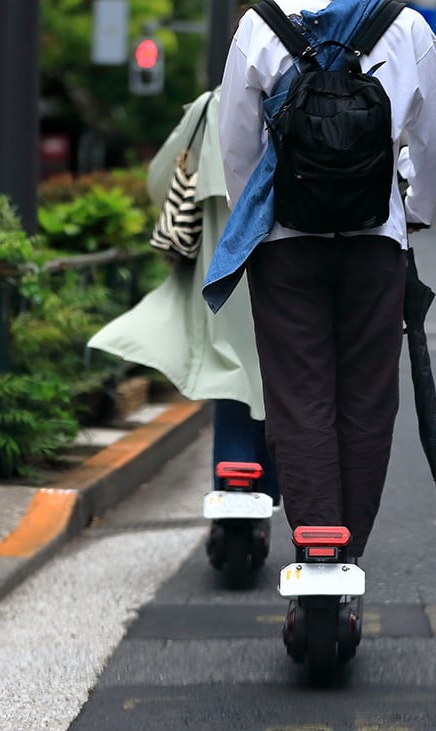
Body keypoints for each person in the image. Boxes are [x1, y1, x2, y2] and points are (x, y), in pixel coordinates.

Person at [206, 0, 436, 560]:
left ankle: (317, 536)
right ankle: (349, 547)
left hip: (285, 244)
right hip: (376, 240)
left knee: (298, 393)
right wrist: (416, 208)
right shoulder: (407, 25)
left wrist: (258, 215)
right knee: (368, 395)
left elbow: (237, 144)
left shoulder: (260, 25)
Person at [88, 88, 279, 508]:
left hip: (224, 258)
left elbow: (160, 180)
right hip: (296, 254)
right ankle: (277, 483)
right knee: (286, 368)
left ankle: (234, 467)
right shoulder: (315, 91)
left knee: (230, 363)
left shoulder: (213, 104)